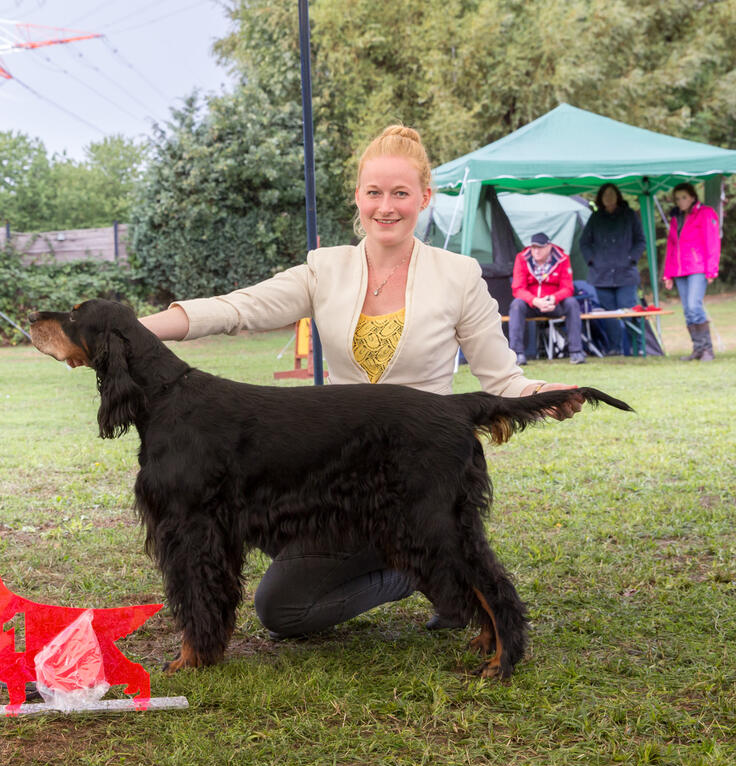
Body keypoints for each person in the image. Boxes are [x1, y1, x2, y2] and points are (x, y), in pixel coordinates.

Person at [136, 125, 584, 639]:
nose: (386, 206)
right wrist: (136, 331)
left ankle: (421, 562)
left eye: (400, 193)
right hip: (334, 472)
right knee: (283, 611)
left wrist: (540, 395)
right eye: (374, 192)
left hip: (415, 466)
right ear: (358, 196)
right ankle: (409, 569)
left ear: (425, 198)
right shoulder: (326, 269)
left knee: (375, 553)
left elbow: (502, 376)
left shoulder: (458, 275)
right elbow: (239, 308)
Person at [579, 183, 646, 355]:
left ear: (618, 196)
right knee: (608, 315)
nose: (608, 197)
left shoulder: (629, 215)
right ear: (600, 198)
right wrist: (592, 260)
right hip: (601, 275)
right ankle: (614, 348)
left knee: (628, 310)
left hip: (626, 274)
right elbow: (584, 243)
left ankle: (637, 347)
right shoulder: (596, 217)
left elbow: (640, 241)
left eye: (612, 194)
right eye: (605, 194)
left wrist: (631, 258)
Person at [508, 232, 585, 366]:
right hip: (532, 305)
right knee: (516, 305)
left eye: (540, 248)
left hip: (554, 304)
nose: (536, 251)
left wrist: (554, 298)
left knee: (572, 303)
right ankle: (516, 354)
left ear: (549, 247)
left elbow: (568, 288)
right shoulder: (522, 258)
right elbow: (517, 288)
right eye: (533, 248)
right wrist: (534, 301)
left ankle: (576, 352)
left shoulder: (562, 259)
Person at [663, 182, 719, 362]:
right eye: (678, 198)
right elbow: (671, 247)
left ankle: (707, 349)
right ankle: (698, 349)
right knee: (688, 310)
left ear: (693, 197)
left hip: (698, 267)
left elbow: (712, 242)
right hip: (679, 271)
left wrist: (712, 269)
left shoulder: (705, 213)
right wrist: (668, 273)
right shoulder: (676, 217)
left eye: (684, 197)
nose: (681, 201)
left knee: (695, 306)